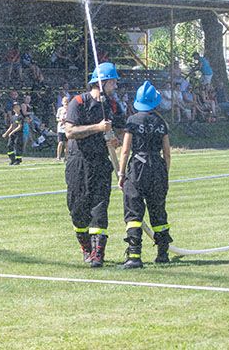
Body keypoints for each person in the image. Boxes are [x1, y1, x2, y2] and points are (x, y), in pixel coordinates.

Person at [64, 62, 125, 268]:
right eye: (113, 81)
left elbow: (120, 130)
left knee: (100, 209)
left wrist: (115, 139)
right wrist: (97, 127)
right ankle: (86, 249)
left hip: (100, 161)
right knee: (77, 209)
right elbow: (70, 132)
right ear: (102, 82)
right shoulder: (78, 102)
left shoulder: (112, 105)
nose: (115, 85)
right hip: (78, 162)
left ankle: (98, 254)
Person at [116, 81, 173, 269]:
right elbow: (167, 152)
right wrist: (165, 172)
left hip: (137, 168)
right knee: (158, 210)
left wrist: (121, 173)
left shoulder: (132, 121)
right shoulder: (161, 122)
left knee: (133, 210)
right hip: (157, 167)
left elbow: (125, 150)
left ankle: (134, 256)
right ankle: (163, 253)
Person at [2, 101, 24, 165]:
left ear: (19, 108)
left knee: (17, 147)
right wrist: (6, 133)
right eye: (14, 107)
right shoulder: (13, 117)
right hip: (13, 135)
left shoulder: (20, 117)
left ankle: (18, 160)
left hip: (18, 135)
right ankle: (12, 159)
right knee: (9, 146)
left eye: (17, 107)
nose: (16, 108)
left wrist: (12, 132)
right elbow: (11, 126)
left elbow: (19, 126)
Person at [56, 95, 69, 162]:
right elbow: (57, 118)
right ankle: (58, 156)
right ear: (62, 102)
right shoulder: (60, 109)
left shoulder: (70, 109)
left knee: (67, 144)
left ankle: (66, 157)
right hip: (61, 128)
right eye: (64, 101)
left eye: (67, 101)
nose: (66, 103)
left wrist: (66, 120)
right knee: (60, 143)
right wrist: (61, 120)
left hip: (67, 128)